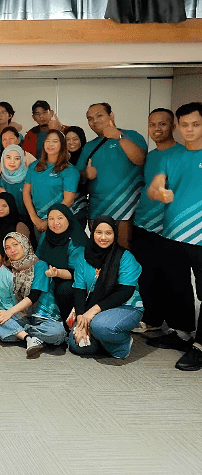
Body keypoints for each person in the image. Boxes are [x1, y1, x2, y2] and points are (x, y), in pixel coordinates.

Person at [147, 102, 202, 371]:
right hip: (172, 234)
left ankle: (200, 347)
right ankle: (182, 333)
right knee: (176, 286)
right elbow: (154, 187)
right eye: (185, 125)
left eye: (196, 124)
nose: (189, 130)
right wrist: (159, 192)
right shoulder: (172, 156)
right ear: (178, 127)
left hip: (200, 238)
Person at [129, 109, 180, 336]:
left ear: (173, 126)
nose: (157, 129)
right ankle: (152, 320)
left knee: (171, 278)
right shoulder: (150, 156)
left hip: (168, 228)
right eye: (152, 124)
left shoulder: (182, 155)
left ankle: (180, 327)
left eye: (162, 124)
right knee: (147, 275)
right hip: (142, 223)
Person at [69, 218, 143, 359]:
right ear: (92, 233)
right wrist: (80, 319)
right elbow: (79, 290)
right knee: (77, 345)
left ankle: (123, 344)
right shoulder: (83, 257)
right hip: (93, 306)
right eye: (99, 232)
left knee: (100, 326)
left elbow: (125, 292)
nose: (103, 237)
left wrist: (92, 312)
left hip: (126, 306)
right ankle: (104, 338)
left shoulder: (125, 257)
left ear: (115, 234)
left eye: (108, 233)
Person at [77, 103, 147, 249]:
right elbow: (78, 177)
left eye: (99, 115)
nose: (94, 121)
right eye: (90, 118)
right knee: (100, 253)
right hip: (97, 210)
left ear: (111, 116)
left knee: (125, 253)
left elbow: (141, 159)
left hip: (129, 210)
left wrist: (119, 136)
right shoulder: (89, 147)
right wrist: (86, 175)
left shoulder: (132, 136)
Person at [0, 234, 67, 356]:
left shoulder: (40, 265)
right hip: (23, 316)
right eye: (7, 248)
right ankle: (28, 338)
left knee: (57, 334)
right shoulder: (12, 269)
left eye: (15, 245)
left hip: (44, 318)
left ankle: (18, 332)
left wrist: (10, 312)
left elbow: (34, 296)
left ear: (24, 244)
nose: (12, 250)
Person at [35, 204, 89, 331]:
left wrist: (57, 273)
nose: (55, 223)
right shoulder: (45, 236)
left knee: (64, 289)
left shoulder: (76, 240)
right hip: (49, 276)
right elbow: (38, 259)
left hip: (72, 280)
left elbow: (76, 273)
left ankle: (66, 327)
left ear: (68, 219)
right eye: (51, 219)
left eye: (60, 218)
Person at [23, 130, 79, 233]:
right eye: (48, 141)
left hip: (60, 221)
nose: (50, 144)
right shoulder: (33, 166)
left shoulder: (70, 170)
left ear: (62, 145)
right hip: (38, 220)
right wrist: (34, 218)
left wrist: (49, 221)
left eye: (55, 141)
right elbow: (26, 192)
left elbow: (69, 200)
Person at [0, 144, 30, 228]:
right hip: (9, 221)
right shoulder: (2, 179)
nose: (12, 161)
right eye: (8, 157)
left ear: (22, 160)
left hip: (27, 220)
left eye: (17, 158)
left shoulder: (28, 176)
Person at [64, 126, 90, 228]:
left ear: (81, 140)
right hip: (62, 203)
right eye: (67, 139)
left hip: (80, 205)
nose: (71, 142)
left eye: (75, 139)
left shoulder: (88, 158)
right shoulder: (60, 159)